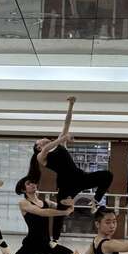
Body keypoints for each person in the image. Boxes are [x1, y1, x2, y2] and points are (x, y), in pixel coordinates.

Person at [28, 96, 113, 244]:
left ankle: (95, 201)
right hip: (66, 184)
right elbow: (48, 148)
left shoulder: (60, 145)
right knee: (61, 211)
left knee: (107, 175)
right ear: (38, 147)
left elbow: (66, 123)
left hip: (81, 177)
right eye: (40, 140)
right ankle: (55, 239)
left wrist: (71, 105)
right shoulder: (41, 156)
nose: (43, 138)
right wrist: (63, 139)